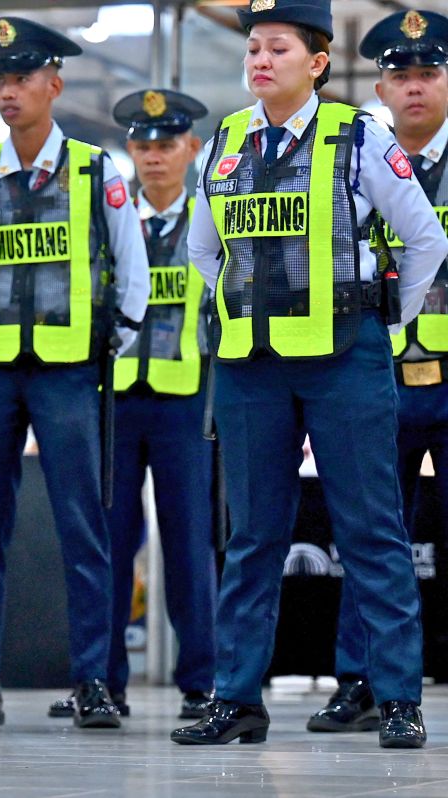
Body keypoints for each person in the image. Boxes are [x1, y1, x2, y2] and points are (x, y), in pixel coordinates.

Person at [172, 0, 445, 749]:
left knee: (372, 530)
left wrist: (381, 323)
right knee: (252, 536)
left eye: (279, 48)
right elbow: (203, 251)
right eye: (254, 48)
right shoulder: (225, 140)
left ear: (318, 63)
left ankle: (397, 698)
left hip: (343, 360)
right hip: (252, 367)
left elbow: (423, 240)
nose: (261, 60)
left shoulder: (359, 137)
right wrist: (249, 310)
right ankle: (237, 698)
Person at [0, 17, 149, 729]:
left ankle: (93, 679)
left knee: (82, 524)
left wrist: (108, 346)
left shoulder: (95, 171)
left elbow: (133, 271)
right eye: (1, 80)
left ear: (54, 85)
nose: (9, 91)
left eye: (23, 78)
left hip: (69, 373)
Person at [307, 7, 448, 736]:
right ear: (381, 89)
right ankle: (360, 683)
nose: (414, 87)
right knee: (367, 537)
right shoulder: (353, 161)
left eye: (428, 73)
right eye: (400, 76)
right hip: (375, 374)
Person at [103, 88, 216, 721]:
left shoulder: (211, 219)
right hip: (116, 403)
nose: (153, 156)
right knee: (110, 545)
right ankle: (103, 682)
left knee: (190, 544)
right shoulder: (113, 220)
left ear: (191, 148)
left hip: (187, 403)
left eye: (166, 144)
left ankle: (201, 682)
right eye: (142, 145)